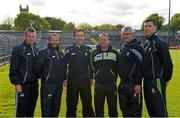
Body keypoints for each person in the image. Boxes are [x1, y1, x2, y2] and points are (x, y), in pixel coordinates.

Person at [143, 19, 173, 117]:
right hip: (146, 82)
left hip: (156, 81)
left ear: (155, 27)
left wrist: (166, 79)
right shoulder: (146, 44)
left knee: (160, 111)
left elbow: (168, 63)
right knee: (151, 111)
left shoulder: (160, 43)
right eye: (145, 26)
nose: (147, 28)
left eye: (149, 26)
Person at [63, 29, 94, 117]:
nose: (79, 37)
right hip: (72, 81)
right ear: (74, 37)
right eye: (78, 35)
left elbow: (91, 65)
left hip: (85, 81)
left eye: (81, 35)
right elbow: (63, 65)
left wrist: (91, 78)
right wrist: (65, 78)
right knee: (71, 105)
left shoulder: (88, 49)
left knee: (87, 104)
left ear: (84, 37)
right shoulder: (68, 50)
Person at [34, 33, 66, 117]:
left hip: (59, 85)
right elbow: (37, 68)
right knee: (47, 108)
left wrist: (64, 78)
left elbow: (63, 68)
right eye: (52, 40)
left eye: (56, 40)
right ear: (49, 41)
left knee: (56, 107)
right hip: (48, 85)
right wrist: (45, 77)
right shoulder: (43, 52)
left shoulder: (60, 53)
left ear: (59, 41)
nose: (54, 42)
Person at [9, 27, 39, 117]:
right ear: (25, 37)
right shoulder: (18, 49)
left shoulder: (37, 49)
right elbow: (13, 68)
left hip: (34, 85)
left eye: (33, 36)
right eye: (29, 36)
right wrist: (17, 83)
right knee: (21, 112)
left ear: (35, 37)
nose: (31, 38)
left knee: (31, 111)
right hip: (22, 85)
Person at [90, 33, 118, 117]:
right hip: (99, 85)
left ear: (108, 41)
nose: (103, 41)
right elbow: (92, 66)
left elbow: (118, 66)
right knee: (98, 109)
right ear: (99, 41)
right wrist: (97, 74)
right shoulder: (94, 52)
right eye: (101, 40)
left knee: (113, 109)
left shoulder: (115, 52)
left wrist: (113, 75)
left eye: (105, 39)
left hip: (111, 84)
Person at [118, 26, 144, 117]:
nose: (125, 36)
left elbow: (141, 66)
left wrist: (138, 83)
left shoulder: (137, 47)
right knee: (125, 111)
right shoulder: (123, 47)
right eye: (123, 34)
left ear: (133, 34)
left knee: (135, 112)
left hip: (133, 85)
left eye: (127, 34)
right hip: (122, 84)